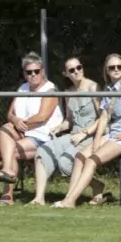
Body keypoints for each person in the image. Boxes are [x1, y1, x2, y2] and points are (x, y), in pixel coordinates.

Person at [52, 53, 121, 208]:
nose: (116, 70)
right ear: (106, 71)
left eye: (119, 67)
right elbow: (104, 117)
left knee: (91, 161)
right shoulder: (108, 88)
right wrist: (96, 141)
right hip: (113, 133)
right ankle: (69, 197)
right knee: (80, 156)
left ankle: (70, 201)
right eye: (112, 67)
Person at [0, 51, 64, 206]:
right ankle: (7, 172)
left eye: (36, 71)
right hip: (23, 133)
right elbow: (10, 113)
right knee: (5, 128)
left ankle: (7, 195)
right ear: (24, 73)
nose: (33, 75)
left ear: (42, 71)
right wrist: (15, 120)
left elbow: (42, 117)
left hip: (42, 137)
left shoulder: (50, 90)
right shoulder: (23, 88)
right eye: (29, 72)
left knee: (11, 152)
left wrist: (21, 124)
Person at [29, 57, 103, 206]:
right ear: (65, 74)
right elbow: (69, 120)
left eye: (79, 67)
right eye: (72, 70)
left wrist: (85, 133)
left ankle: (94, 186)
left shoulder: (93, 87)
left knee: (66, 163)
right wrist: (59, 127)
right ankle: (39, 198)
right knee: (43, 151)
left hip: (90, 135)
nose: (76, 72)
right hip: (73, 135)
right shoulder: (68, 92)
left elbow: (102, 118)